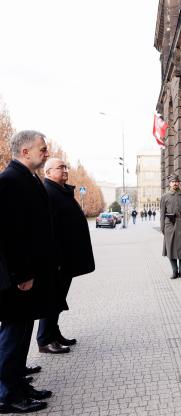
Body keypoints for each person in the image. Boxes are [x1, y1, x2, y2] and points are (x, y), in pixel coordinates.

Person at [0, 130, 58, 413]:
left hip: (29, 274)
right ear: (25, 152)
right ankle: (7, 395)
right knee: (12, 336)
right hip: (17, 278)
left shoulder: (27, 178)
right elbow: (10, 233)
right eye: (42, 149)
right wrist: (22, 274)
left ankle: (19, 385)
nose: (46, 153)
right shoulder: (9, 181)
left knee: (22, 334)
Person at [37, 158, 95, 354]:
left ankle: (54, 333)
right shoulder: (49, 192)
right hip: (58, 261)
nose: (65, 170)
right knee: (53, 299)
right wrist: (56, 260)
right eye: (60, 167)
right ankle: (45, 340)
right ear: (48, 172)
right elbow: (50, 230)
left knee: (59, 299)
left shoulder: (60, 190)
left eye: (65, 167)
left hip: (67, 258)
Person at [160, 174, 181, 279]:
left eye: (176, 181)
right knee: (170, 249)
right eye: (173, 182)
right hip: (169, 225)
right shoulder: (165, 196)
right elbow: (162, 213)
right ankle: (175, 271)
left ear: (179, 183)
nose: (175, 183)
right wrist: (162, 227)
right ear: (169, 183)